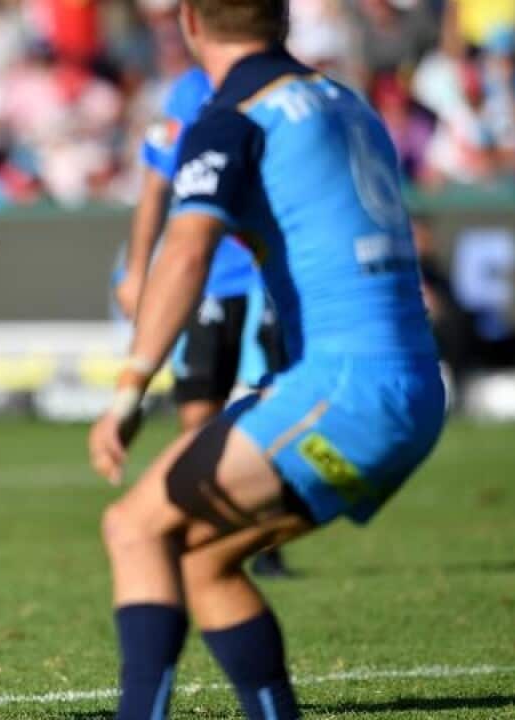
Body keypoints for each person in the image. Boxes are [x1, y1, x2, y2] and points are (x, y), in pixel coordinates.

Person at [87, 1, 445, 718]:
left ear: (189, 21)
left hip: (343, 394)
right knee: (205, 560)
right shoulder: (345, 100)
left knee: (133, 526)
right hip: (410, 394)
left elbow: (185, 252)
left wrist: (130, 386)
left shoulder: (233, 118)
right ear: (280, 16)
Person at [115, 64, 293, 580]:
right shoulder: (187, 94)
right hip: (211, 277)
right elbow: (155, 189)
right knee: (199, 415)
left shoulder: (280, 84)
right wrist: (136, 271)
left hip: (268, 275)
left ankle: (265, 541)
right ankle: (206, 528)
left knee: (272, 402)